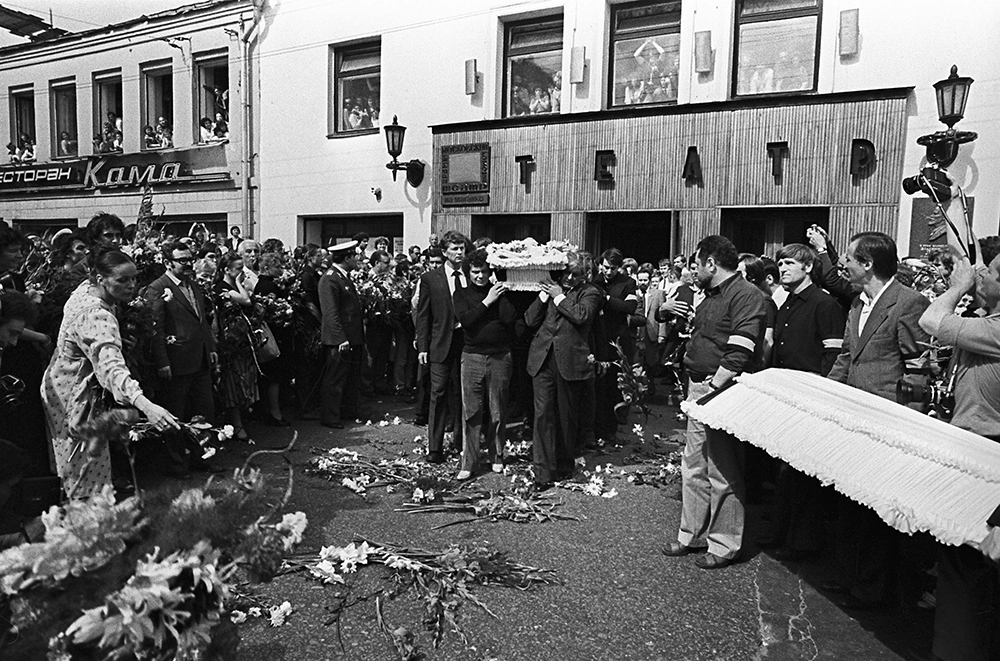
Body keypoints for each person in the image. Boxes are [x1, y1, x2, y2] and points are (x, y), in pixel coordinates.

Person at [824, 231, 931, 609]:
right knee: (850, 501)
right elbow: (847, 358)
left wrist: (905, 420)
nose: (842, 264)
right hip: (851, 418)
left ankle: (872, 589)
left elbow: (919, 367)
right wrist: (826, 397)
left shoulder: (909, 303)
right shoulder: (857, 303)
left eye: (848, 258)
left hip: (885, 422)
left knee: (876, 510)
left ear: (867, 264)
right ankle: (848, 575)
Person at [661, 235, 765, 570]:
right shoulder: (711, 296)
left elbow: (740, 350)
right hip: (699, 385)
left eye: (696, 264)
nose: (693, 272)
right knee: (693, 464)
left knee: (722, 468)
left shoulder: (746, 296)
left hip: (722, 390)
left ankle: (724, 543)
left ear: (711, 263)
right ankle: (691, 534)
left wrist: (713, 389)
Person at [918, 242, 1000, 661]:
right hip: (970, 444)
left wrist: (959, 285)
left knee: (966, 567)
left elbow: (932, 318)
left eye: (993, 272)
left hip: (987, 455)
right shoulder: (988, 320)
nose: (983, 274)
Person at [42, 249, 179, 498]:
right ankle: (86, 527)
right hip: (74, 399)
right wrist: (147, 406)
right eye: (122, 280)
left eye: (134, 278)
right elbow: (111, 369)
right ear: (100, 278)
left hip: (59, 386)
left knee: (75, 471)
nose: (131, 286)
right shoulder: (96, 315)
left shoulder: (86, 290)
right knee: (86, 477)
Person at [759, 243, 845, 561]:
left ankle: (804, 542)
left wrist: (822, 401)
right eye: (780, 263)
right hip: (785, 398)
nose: (782, 269)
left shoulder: (824, 305)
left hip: (811, 398)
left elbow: (832, 357)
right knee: (785, 470)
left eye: (789, 263)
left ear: (808, 268)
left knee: (805, 475)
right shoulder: (787, 304)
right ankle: (782, 531)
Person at [524, 253, 603, 489]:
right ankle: (543, 472)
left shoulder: (591, 292)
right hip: (543, 359)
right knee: (543, 415)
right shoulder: (552, 289)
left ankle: (564, 463)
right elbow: (529, 320)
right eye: (566, 272)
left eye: (575, 274)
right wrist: (542, 295)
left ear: (585, 275)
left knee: (566, 416)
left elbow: (581, 316)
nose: (569, 278)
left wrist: (558, 297)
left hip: (569, 361)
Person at [145, 240, 221, 471]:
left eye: (190, 259)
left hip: (200, 359)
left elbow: (201, 322)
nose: (189, 264)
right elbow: (155, 329)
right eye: (182, 260)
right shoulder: (158, 288)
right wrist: (163, 362)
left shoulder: (193, 285)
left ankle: (202, 457)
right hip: (177, 362)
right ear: (167, 263)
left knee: (204, 410)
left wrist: (212, 349)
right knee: (176, 415)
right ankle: (178, 463)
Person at [452, 249, 516, 480]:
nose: (480, 276)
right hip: (472, 357)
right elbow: (466, 320)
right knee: (472, 411)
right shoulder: (461, 294)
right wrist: (488, 301)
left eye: (484, 272)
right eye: (475, 272)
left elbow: (509, 319)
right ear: (469, 272)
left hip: (500, 356)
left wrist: (500, 294)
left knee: (497, 409)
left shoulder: (499, 292)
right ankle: (469, 462)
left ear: (491, 272)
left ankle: (496, 456)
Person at [415, 231, 467, 462]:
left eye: (462, 248)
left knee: (463, 394)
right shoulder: (431, 279)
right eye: (455, 249)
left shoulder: (472, 274)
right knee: (438, 393)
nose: (459, 252)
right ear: (444, 252)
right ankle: (435, 448)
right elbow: (423, 316)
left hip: (466, 343)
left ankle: (461, 442)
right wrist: (423, 347)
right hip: (440, 343)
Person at [212, 252, 258, 441]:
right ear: (226, 270)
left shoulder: (234, 285)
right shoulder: (220, 288)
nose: (242, 272)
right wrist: (239, 282)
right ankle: (237, 424)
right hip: (230, 343)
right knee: (234, 383)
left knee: (246, 380)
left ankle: (243, 419)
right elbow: (245, 300)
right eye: (238, 268)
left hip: (243, 341)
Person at [318, 241, 364, 429]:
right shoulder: (330, 279)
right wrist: (340, 339)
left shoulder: (342, 277)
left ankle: (346, 411)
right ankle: (330, 416)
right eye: (354, 256)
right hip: (340, 339)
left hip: (351, 337)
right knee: (335, 379)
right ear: (347, 258)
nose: (357, 259)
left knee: (349, 377)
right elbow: (331, 313)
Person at [254, 252, 293, 426]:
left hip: (274, 334)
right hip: (274, 335)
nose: (281, 270)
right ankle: (274, 412)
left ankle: (272, 410)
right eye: (277, 266)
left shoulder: (265, 284)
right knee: (274, 375)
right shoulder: (268, 286)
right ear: (267, 267)